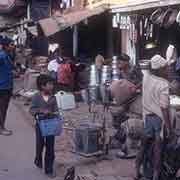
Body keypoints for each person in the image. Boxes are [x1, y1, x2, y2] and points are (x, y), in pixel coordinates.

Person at [135, 55, 172, 180]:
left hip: (147, 118)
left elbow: (141, 85)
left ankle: (136, 172)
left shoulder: (146, 77)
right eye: (165, 68)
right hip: (158, 120)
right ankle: (156, 176)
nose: (167, 70)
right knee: (158, 149)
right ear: (159, 69)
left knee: (143, 145)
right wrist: (169, 128)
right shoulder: (164, 84)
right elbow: (164, 108)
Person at [30, 74, 58, 178]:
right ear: (42, 86)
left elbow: (56, 110)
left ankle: (49, 169)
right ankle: (38, 159)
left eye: (52, 84)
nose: (52, 86)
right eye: (49, 84)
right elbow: (32, 110)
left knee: (50, 147)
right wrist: (41, 111)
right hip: (40, 125)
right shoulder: (36, 97)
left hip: (51, 125)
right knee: (40, 144)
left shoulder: (53, 97)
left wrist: (55, 115)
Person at [0, 36, 14, 136]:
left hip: (7, 85)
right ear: (5, 46)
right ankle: (1, 128)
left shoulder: (7, 55)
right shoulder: (2, 56)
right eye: (11, 45)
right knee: (2, 109)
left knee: (3, 108)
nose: (13, 46)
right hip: (3, 87)